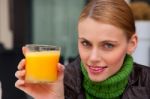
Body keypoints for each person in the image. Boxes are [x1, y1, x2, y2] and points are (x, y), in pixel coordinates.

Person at [15, 0, 150, 99]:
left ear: (131, 44)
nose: (93, 57)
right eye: (86, 43)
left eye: (108, 45)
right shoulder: (60, 85)